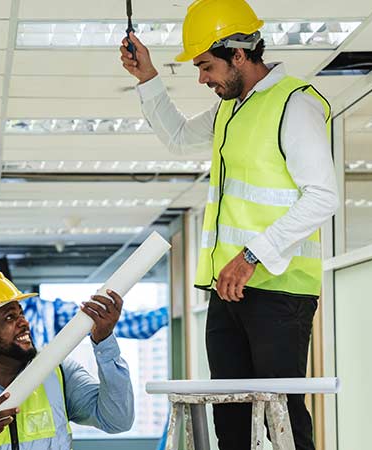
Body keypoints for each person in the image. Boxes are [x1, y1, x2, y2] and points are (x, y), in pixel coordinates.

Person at [119, 1, 339, 449]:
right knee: (230, 424)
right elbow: (178, 137)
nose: (202, 78)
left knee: (284, 417)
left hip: (279, 291)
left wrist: (253, 254)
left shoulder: (293, 105)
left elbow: (323, 197)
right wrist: (148, 78)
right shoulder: (231, 109)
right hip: (228, 290)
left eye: (206, 66)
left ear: (239, 55)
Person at [0, 270, 134, 450]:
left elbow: (118, 420)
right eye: (10, 317)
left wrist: (104, 340)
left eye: (21, 314)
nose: (24, 322)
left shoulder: (57, 371)